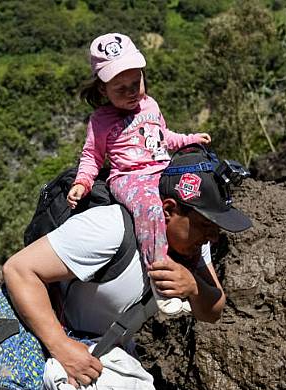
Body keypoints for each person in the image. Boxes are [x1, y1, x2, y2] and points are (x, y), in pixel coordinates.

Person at [3, 146, 252, 390]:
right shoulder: (110, 229)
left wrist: (194, 286)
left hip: (110, 346)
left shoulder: (195, 243)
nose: (212, 236)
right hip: (61, 343)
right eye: (206, 225)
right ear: (169, 210)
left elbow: (214, 310)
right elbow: (19, 269)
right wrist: (61, 346)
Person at [66, 32, 212, 317]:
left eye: (136, 83)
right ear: (103, 90)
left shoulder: (151, 105)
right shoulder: (101, 120)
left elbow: (163, 137)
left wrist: (190, 139)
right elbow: (92, 156)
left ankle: (194, 266)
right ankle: (160, 280)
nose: (132, 92)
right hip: (130, 178)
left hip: (161, 169)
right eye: (121, 89)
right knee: (151, 208)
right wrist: (82, 182)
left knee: (194, 197)